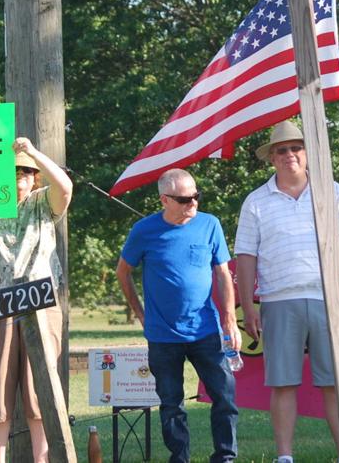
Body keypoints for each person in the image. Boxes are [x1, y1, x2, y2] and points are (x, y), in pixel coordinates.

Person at [234, 121, 339, 463]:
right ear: (272, 158)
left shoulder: (331, 190)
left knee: (334, 383)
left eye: (296, 148)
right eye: (282, 150)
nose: (289, 154)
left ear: (307, 153)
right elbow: (245, 256)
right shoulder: (255, 201)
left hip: (328, 298)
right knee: (283, 383)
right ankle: (284, 457)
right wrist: (248, 306)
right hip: (278, 299)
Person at [0, 137, 72, 463]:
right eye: (11, 172)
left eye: (25, 172)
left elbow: (65, 188)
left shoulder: (42, 203)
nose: (18, 178)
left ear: (34, 178)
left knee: (41, 383)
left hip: (38, 298)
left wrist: (33, 153)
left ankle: (42, 459)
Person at [116, 168, 239, 463]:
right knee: (171, 404)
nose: (192, 203)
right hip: (162, 335)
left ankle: (225, 457)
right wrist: (140, 313)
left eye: (196, 196)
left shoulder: (210, 224)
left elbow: (223, 273)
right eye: (184, 199)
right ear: (165, 200)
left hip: (206, 330)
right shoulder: (144, 230)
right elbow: (123, 272)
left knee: (224, 396)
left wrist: (230, 319)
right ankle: (180, 458)